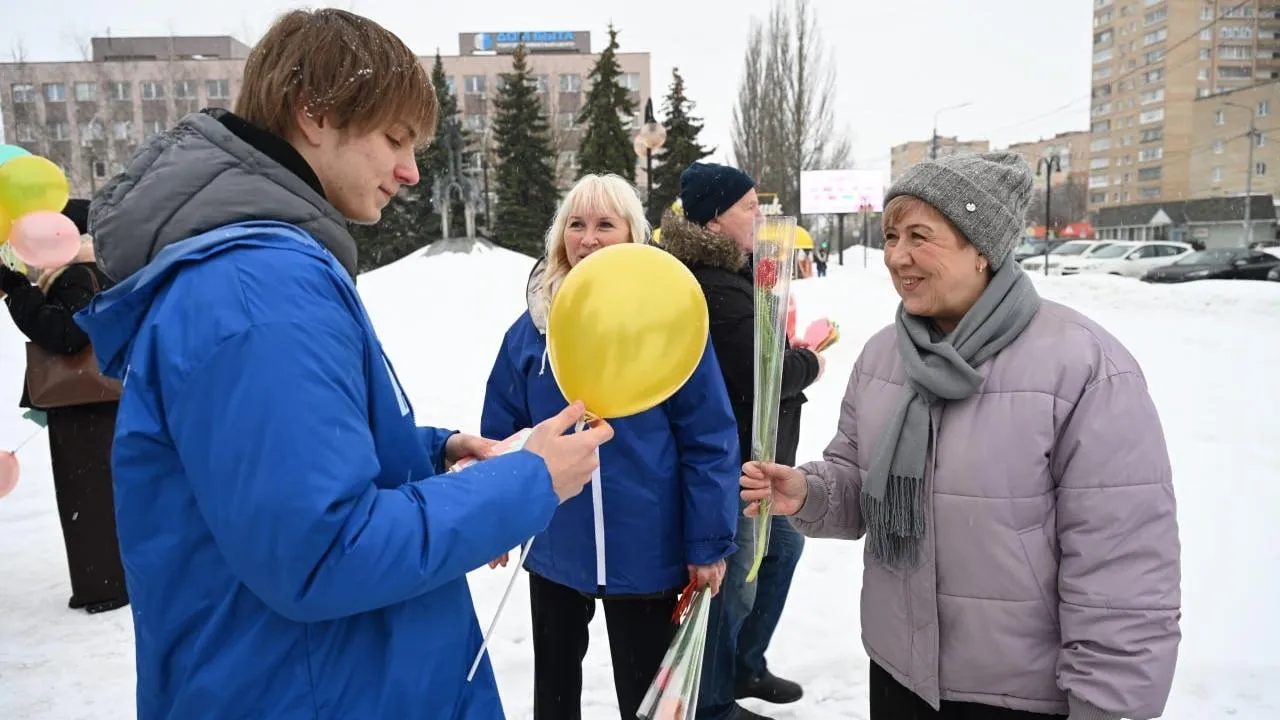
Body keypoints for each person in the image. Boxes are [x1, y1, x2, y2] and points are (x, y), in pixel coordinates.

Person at [73, 9, 612, 719]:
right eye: (395, 139)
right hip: (315, 689)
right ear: (315, 114)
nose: (411, 171)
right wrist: (528, 482)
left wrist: (431, 451)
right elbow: (321, 551)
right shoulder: (258, 290)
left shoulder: (258, 272)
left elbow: (281, 472)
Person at [741, 151, 1181, 720]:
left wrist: (1108, 707)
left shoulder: (1082, 367)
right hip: (901, 677)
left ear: (983, 251)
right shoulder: (883, 357)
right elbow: (859, 481)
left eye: (920, 236)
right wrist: (809, 492)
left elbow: (1123, 573)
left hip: (1022, 696)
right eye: (892, 235)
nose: (898, 255)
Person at [480, 173, 741, 720]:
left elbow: (708, 438)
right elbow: (502, 430)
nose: (589, 237)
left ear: (632, 236)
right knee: (553, 694)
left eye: (605, 224)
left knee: (645, 698)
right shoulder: (531, 332)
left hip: (648, 551)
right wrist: (496, 513)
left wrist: (708, 541)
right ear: (560, 237)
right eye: (576, 224)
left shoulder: (669, 327)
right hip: (555, 546)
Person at [659, 162, 826, 720]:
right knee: (734, 586)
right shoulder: (712, 285)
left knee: (782, 549)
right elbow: (763, 368)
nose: (762, 216)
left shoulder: (741, 274)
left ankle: (745, 663)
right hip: (732, 463)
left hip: (761, 460)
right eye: (751, 207)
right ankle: (712, 701)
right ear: (713, 219)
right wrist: (813, 362)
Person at [0, 199, 127, 615]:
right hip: (103, 401)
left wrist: (18, 291)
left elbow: (66, 334)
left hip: (85, 404)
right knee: (103, 493)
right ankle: (111, 580)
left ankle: (104, 586)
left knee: (87, 496)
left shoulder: (77, 272)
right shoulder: (101, 269)